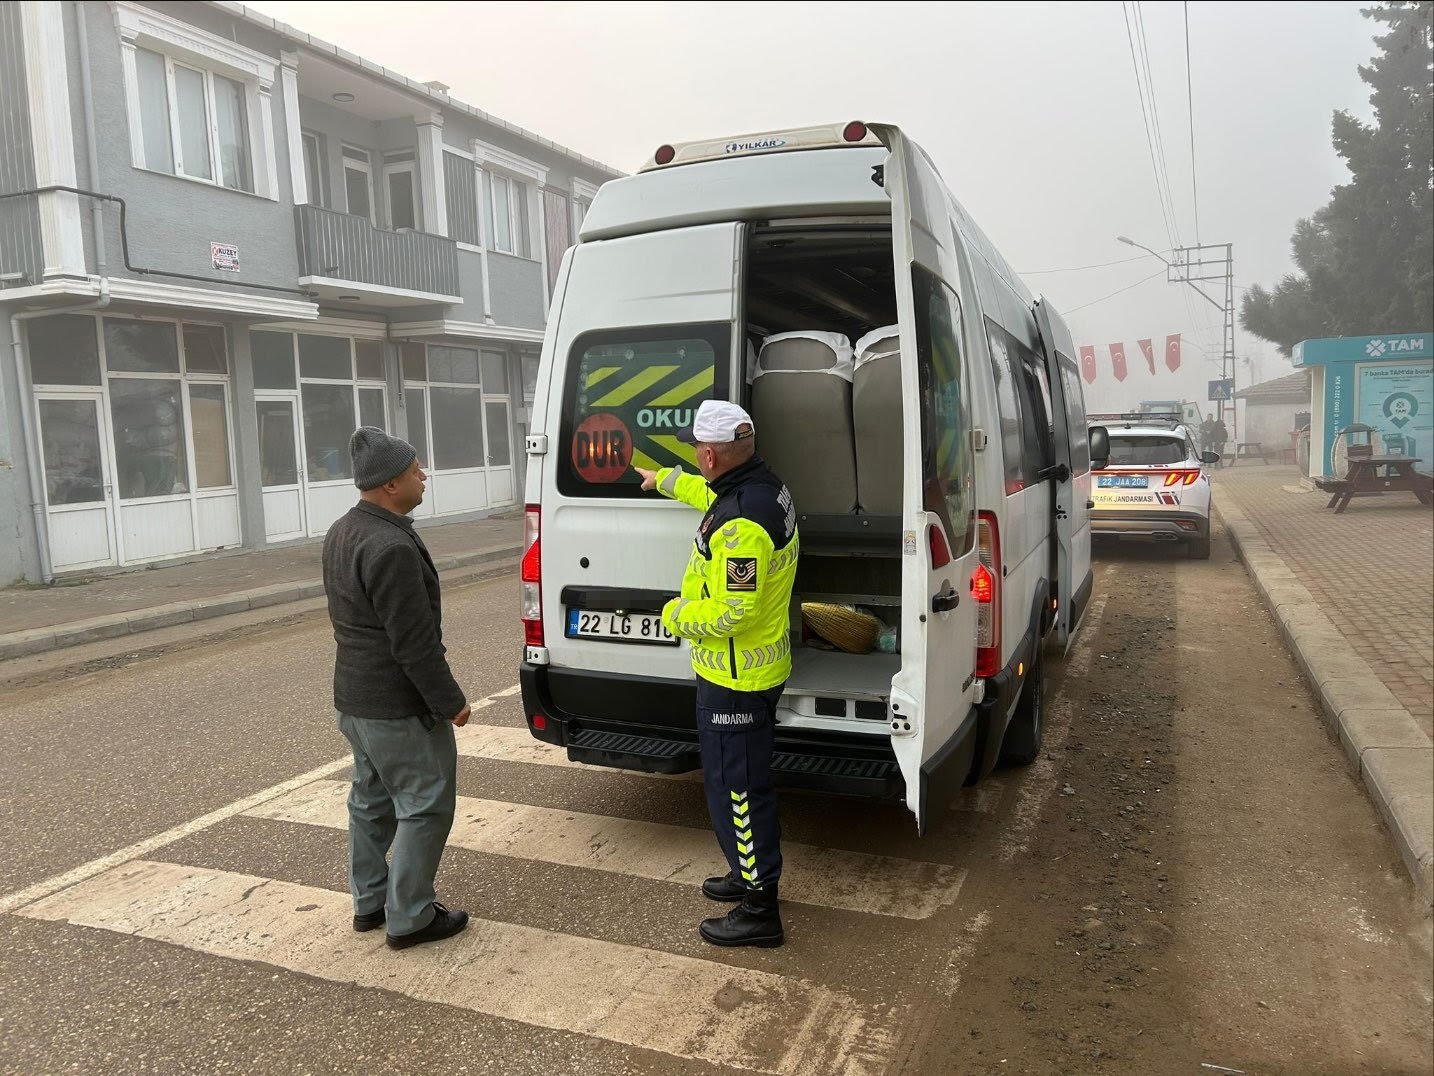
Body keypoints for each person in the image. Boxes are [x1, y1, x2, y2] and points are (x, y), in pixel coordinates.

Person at [634, 400, 799, 948]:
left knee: (739, 791)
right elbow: (709, 499)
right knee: (732, 785)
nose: (693, 459)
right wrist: (664, 480)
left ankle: (760, 908)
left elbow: (735, 611)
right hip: (740, 671)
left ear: (710, 453)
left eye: (692, 452)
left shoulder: (742, 527)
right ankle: (743, 871)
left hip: (737, 680)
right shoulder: (757, 488)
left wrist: (674, 614)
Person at [322, 427, 472, 951]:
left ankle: (370, 902)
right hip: (395, 705)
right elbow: (414, 645)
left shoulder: (344, 529)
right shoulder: (390, 546)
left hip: (356, 700)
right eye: (414, 471)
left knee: (370, 800)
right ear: (389, 484)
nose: (423, 476)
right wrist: (450, 701)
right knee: (425, 804)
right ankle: (409, 917)